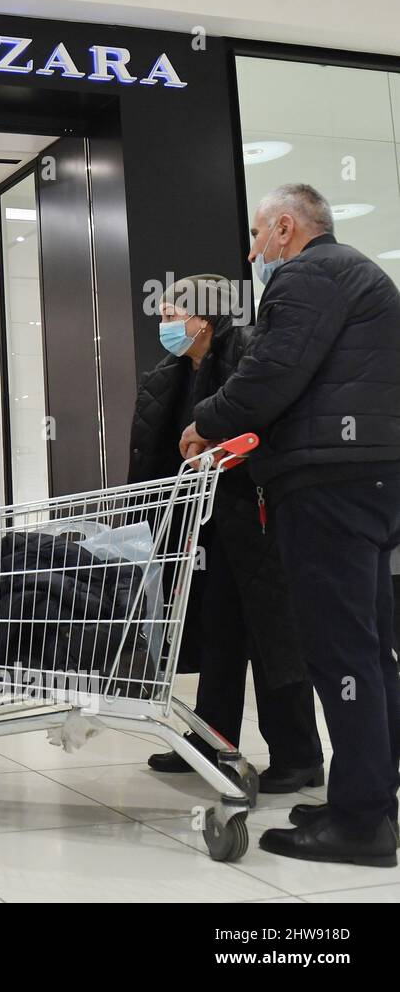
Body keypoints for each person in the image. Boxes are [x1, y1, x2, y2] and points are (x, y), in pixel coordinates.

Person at [182, 183, 400, 868]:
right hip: (372, 476)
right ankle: (369, 795)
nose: (254, 250)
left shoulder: (307, 275)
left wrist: (205, 422)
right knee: (368, 646)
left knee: (339, 651)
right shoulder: (360, 274)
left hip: (328, 482)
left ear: (285, 227)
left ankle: (362, 823)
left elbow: (271, 374)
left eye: (258, 235)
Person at [130, 275, 322, 792]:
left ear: (205, 319)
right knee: (218, 632)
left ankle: (299, 755)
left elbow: (267, 428)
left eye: (172, 315)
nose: (164, 324)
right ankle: (209, 743)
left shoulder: (249, 364)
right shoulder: (169, 375)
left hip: (255, 518)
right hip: (202, 526)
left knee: (272, 636)